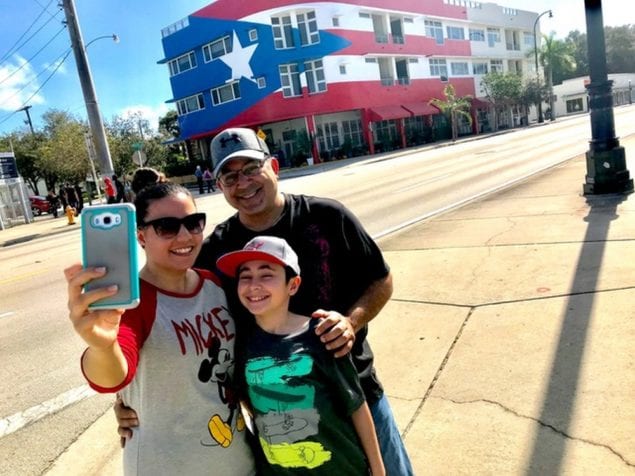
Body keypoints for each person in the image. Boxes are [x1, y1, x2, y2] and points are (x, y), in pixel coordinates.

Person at [115, 128, 413, 475]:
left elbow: (381, 279)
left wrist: (351, 322)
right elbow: (173, 319)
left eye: (251, 169)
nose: (243, 183)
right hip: (273, 409)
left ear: (274, 166)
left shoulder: (327, 217)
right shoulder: (215, 250)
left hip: (353, 393)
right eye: (230, 176)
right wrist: (127, 398)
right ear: (219, 185)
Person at [64, 174, 256, 475]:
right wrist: (102, 347)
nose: (184, 237)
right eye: (167, 227)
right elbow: (113, 376)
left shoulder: (215, 285)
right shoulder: (130, 304)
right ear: (141, 236)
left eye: (193, 223)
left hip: (238, 460)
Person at [217, 236, 385, 475]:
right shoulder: (241, 342)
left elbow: (356, 407)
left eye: (267, 275)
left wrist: (378, 470)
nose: (254, 285)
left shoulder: (320, 336)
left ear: (293, 285)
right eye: (245, 276)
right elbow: (249, 403)